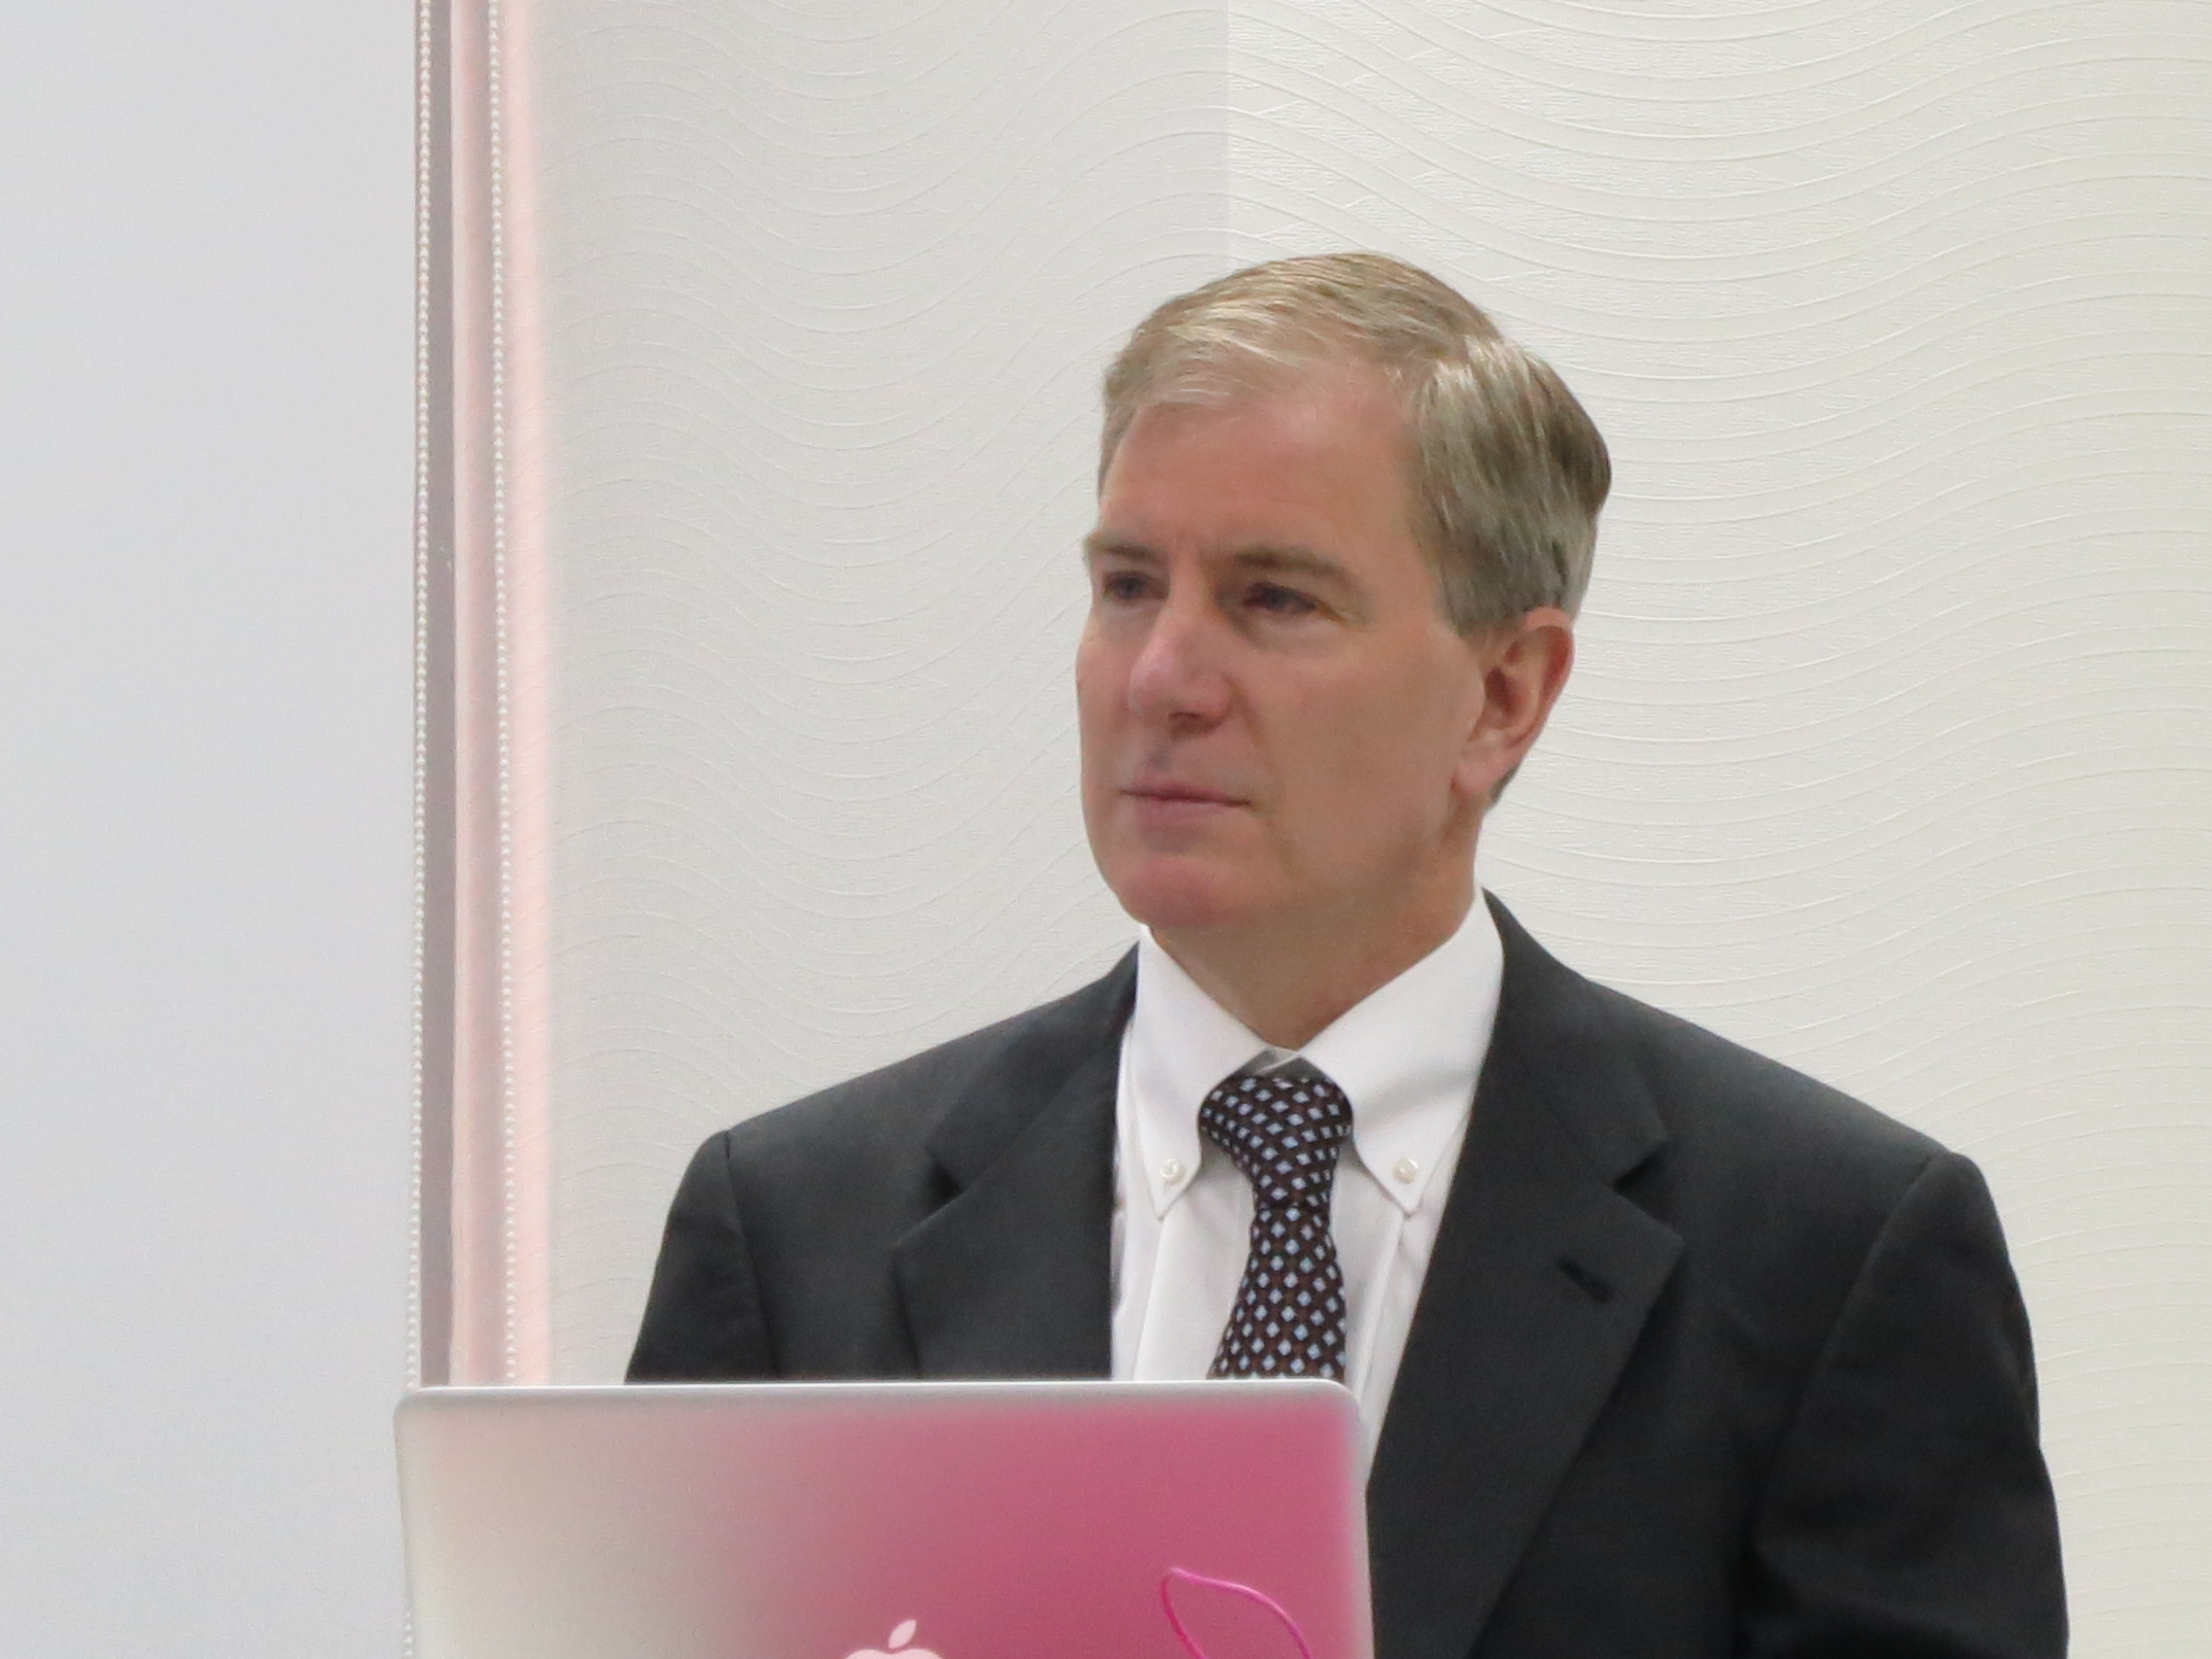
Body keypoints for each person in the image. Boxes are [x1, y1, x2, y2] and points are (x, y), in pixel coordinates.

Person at [628, 253, 2065, 1658]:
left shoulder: (1827, 1255)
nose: (1161, 678)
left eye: (1274, 599)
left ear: (1503, 695)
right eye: (1127, 584)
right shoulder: (796, 1231)